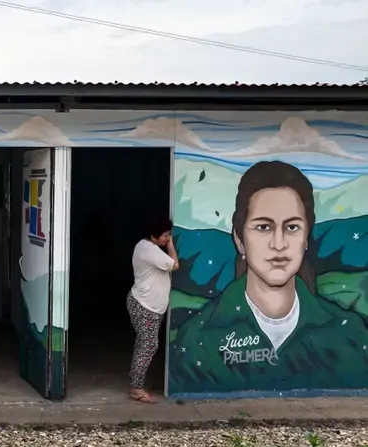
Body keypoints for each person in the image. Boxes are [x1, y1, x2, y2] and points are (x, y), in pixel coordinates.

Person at [169, 161, 368, 395]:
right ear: (239, 239)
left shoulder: (349, 334)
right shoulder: (196, 340)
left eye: (292, 227)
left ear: (306, 238)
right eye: (263, 227)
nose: (279, 244)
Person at [127, 216, 179, 403]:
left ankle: (137, 382)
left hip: (148, 305)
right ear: (153, 235)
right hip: (144, 305)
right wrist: (171, 245)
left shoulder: (146, 247)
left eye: (169, 235)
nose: (167, 238)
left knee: (145, 344)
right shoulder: (149, 250)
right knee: (149, 344)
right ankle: (136, 388)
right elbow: (175, 265)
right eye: (165, 235)